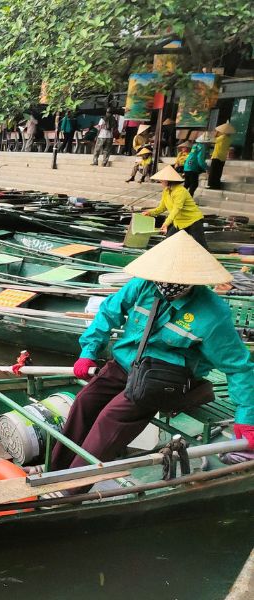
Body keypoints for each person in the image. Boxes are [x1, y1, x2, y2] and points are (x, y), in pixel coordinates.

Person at [50, 231, 254, 475]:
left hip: (165, 378)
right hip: (126, 363)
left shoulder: (212, 313)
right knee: (84, 402)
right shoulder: (143, 285)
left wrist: (246, 416)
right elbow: (108, 312)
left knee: (110, 419)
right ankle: (55, 470)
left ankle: (71, 486)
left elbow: (238, 366)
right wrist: (88, 351)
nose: (167, 284)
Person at [142, 165, 208, 248]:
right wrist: (150, 212)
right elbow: (162, 208)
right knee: (168, 242)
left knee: (201, 246)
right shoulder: (166, 191)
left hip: (193, 220)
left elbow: (177, 208)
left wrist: (167, 223)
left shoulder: (180, 191)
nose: (160, 181)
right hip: (179, 222)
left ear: (169, 180)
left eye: (162, 179)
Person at [207, 122, 235, 190]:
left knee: (213, 172)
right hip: (223, 157)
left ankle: (211, 185)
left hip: (216, 156)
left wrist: (216, 134)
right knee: (219, 172)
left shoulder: (221, 137)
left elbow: (212, 140)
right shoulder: (229, 139)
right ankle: (216, 185)